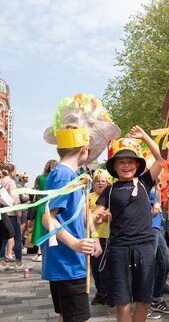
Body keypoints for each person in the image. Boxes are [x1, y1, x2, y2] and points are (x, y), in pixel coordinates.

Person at [94, 126, 163, 322]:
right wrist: (96, 218)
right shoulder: (109, 190)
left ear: (137, 165)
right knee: (122, 300)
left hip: (145, 247)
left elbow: (160, 159)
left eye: (130, 162)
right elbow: (95, 215)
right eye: (121, 162)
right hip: (118, 249)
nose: (126, 166)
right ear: (114, 167)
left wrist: (144, 137)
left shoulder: (144, 182)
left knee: (144, 299)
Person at [41, 126, 102, 322]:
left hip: (70, 262)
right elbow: (47, 217)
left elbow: (83, 210)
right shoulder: (63, 175)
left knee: (67, 317)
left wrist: (94, 236)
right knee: (77, 318)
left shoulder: (71, 175)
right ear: (84, 149)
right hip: (67, 263)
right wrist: (75, 243)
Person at [147, 181, 169, 318]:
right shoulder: (141, 181)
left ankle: (156, 298)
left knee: (166, 263)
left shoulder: (156, 185)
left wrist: (160, 208)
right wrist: (152, 207)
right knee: (149, 266)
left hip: (157, 227)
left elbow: (159, 206)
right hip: (148, 228)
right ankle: (146, 302)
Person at [89, 169, 111, 306]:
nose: (100, 183)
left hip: (108, 237)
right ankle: (100, 292)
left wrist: (107, 217)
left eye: (103, 181)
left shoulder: (111, 197)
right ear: (93, 184)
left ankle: (108, 293)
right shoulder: (88, 197)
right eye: (97, 181)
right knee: (95, 267)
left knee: (107, 267)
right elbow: (86, 216)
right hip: (93, 237)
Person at [30, 159, 58, 262]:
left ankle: (41, 254)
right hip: (51, 205)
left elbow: (36, 191)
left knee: (40, 232)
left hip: (41, 204)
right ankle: (50, 256)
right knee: (52, 231)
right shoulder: (55, 178)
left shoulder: (40, 178)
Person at [0, 163, 22, 271]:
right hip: (11, 213)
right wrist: (19, 213)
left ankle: (2, 261)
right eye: (14, 171)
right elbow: (15, 199)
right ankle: (19, 262)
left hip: (2, 213)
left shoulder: (1, 181)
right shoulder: (11, 182)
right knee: (17, 236)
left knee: (3, 238)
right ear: (11, 171)